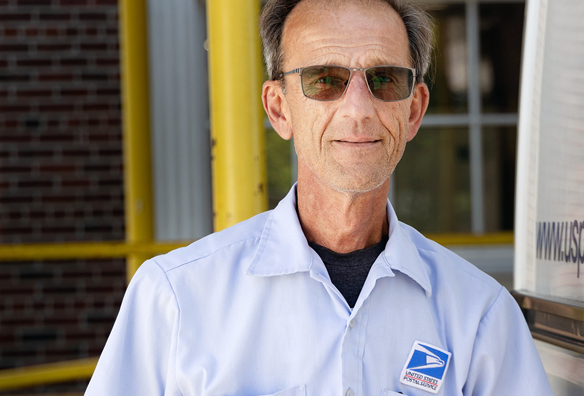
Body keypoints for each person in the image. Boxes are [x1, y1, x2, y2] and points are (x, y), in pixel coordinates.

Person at [85, 0, 554, 394]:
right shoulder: (174, 299)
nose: (358, 109)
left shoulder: (480, 316)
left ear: (413, 111)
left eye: (384, 79)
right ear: (279, 108)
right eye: (324, 80)